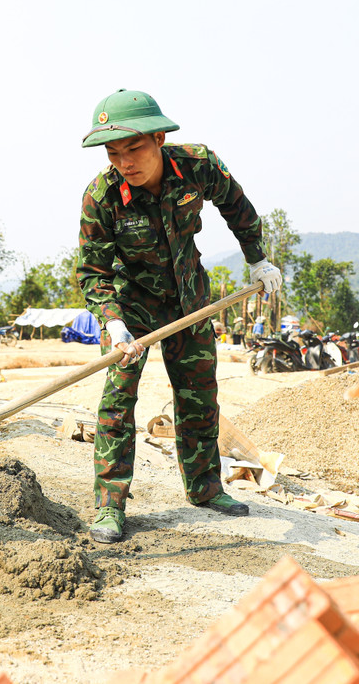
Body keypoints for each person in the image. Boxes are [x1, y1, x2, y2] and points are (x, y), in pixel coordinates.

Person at [76, 89, 282, 544]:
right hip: (131, 309)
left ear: (159, 138)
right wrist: (113, 323)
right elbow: (93, 271)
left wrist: (257, 260)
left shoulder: (197, 165)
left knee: (199, 396)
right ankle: (109, 505)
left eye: (133, 148)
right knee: (117, 402)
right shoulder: (103, 197)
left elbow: (237, 206)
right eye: (113, 152)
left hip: (191, 301)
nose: (124, 162)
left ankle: (206, 489)